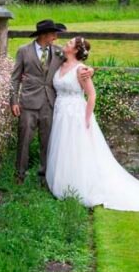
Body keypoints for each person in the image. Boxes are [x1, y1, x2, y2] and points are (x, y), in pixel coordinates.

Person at [45, 36, 139, 212]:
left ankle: (78, 187)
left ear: (76, 50)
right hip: (60, 113)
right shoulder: (60, 61)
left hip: (75, 115)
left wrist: (86, 119)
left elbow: (92, 95)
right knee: (63, 149)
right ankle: (63, 184)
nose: (67, 43)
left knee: (77, 151)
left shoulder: (81, 70)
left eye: (71, 42)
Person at [9, 19, 92, 185]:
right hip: (28, 102)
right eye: (53, 33)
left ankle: (44, 176)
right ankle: (20, 175)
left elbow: (75, 63)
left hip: (50, 103)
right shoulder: (24, 51)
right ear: (44, 35)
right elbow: (15, 78)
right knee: (24, 140)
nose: (56, 37)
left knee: (47, 142)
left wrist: (89, 70)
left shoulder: (59, 52)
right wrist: (14, 101)